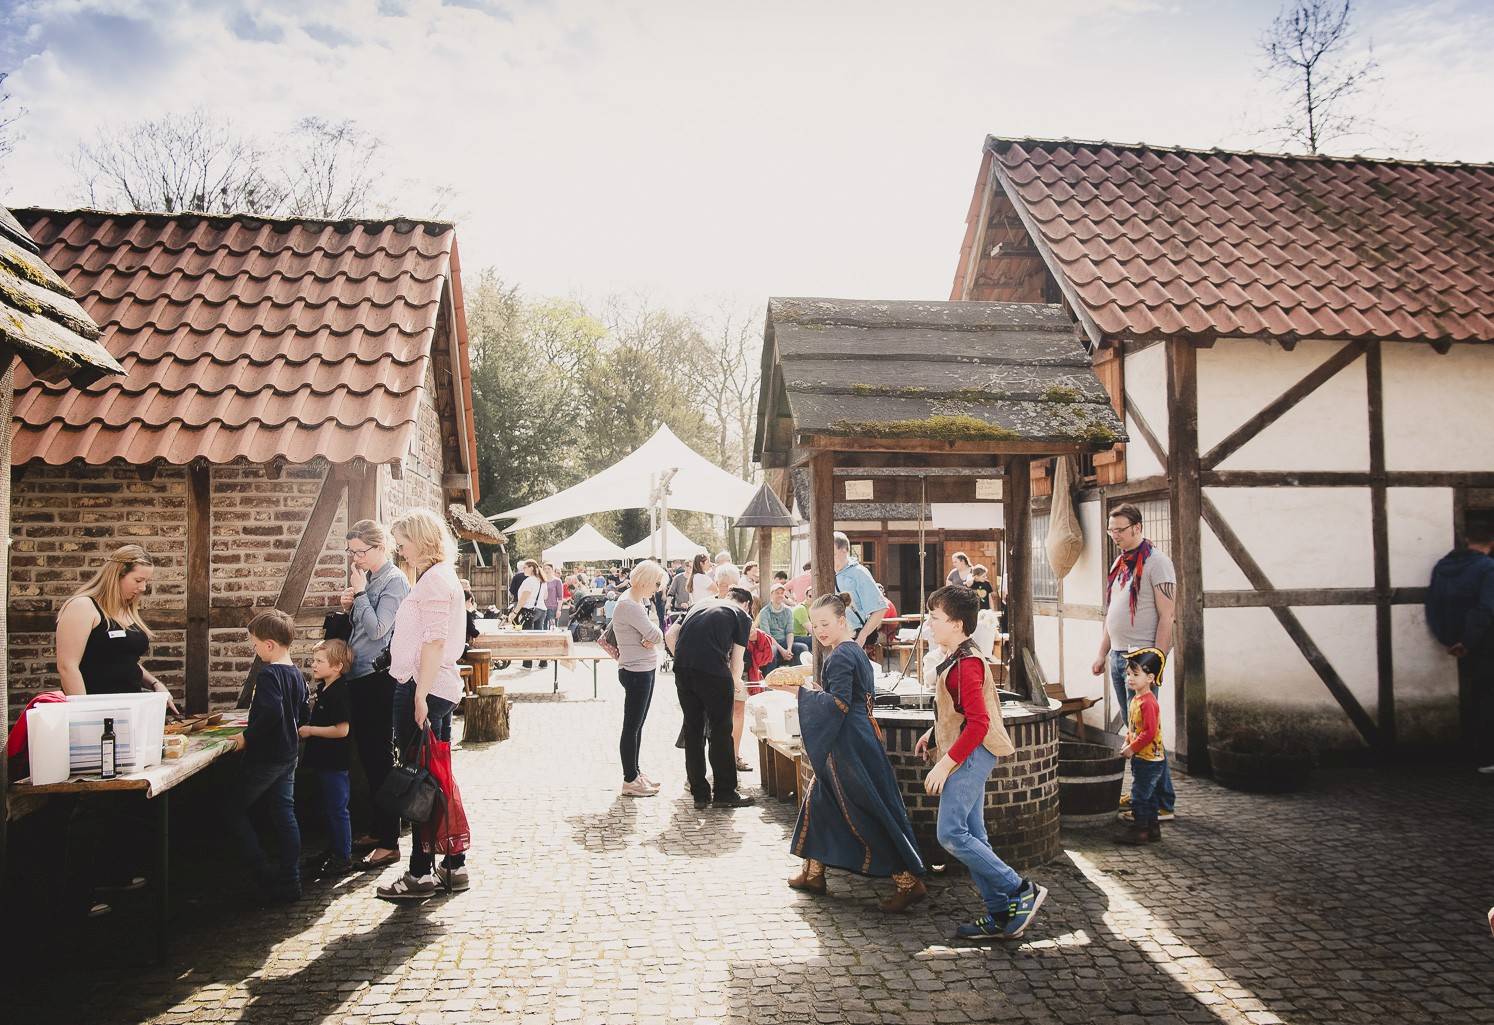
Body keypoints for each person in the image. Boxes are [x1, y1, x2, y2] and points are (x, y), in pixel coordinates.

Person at [768, 592, 927, 911]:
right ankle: (813, 873)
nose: (819, 630)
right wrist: (815, 692)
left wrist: (798, 692)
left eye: (825, 623)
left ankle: (907, 881)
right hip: (858, 733)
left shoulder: (840, 655)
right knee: (820, 800)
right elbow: (845, 697)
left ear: (843, 621)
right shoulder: (853, 650)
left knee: (862, 808)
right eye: (814, 625)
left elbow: (839, 704)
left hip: (848, 741)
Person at [916, 585, 1047, 940]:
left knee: (951, 833)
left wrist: (944, 765)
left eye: (935, 618)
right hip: (969, 751)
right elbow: (958, 711)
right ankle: (1000, 913)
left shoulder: (966, 666)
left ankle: (1020, 890)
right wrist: (933, 732)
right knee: (974, 835)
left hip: (972, 755)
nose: (929, 624)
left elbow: (979, 724)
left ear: (957, 624)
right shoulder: (959, 656)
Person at [377, 509, 473, 900]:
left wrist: (419, 693)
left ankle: (421, 873)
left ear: (422, 538)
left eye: (403, 542)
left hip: (425, 687)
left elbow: (434, 642)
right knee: (433, 776)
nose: (400, 550)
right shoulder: (438, 577)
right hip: (429, 685)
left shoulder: (434, 580)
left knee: (420, 780)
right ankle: (451, 864)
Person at [1091, 504, 1177, 822]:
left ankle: (1160, 802)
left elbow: (1167, 616)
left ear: (1137, 527)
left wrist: (1156, 661)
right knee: (1135, 729)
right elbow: (1112, 613)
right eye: (1111, 530)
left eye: (1120, 530)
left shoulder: (1158, 563)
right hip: (1118, 655)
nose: (1114, 535)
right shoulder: (1120, 563)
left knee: (1146, 729)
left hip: (1141, 658)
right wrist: (1102, 652)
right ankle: (1150, 793)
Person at [226, 610, 309, 905]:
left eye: (256, 645)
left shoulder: (270, 673)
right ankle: (291, 879)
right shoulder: (296, 674)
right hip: (289, 754)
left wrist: (246, 737)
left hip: (267, 756)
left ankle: (262, 871)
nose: (255, 650)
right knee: (284, 813)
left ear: (270, 644)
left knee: (232, 809)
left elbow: (272, 712)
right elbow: (303, 712)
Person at [342, 519, 410, 870]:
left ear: (381, 547)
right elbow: (361, 627)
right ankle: (378, 828)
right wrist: (351, 602)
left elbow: (380, 630)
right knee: (367, 758)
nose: (355, 559)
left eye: (361, 552)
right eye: (351, 552)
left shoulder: (394, 581)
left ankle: (389, 841)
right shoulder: (368, 578)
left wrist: (359, 595)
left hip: (378, 678)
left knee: (380, 757)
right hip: (359, 676)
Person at [56, 544, 179, 712]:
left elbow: (123, 660)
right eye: (138, 580)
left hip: (130, 709)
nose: (143, 588)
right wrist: (85, 714)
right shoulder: (82, 606)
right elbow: (67, 667)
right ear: (117, 574)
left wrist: (155, 684)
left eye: (146, 581)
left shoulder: (126, 609)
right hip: (97, 710)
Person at [670, 569, 754, 809]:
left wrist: (683, 659)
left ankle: (699, 793)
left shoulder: (700, 604)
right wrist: (736, 683)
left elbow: (671, 634)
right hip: (713, 673)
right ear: (747, 604)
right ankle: (725, 792)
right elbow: (737, 661)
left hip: (683, 668)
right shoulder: (742, 616)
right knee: (721, 731)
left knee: (693, 729)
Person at [1426, 520, 1494, 772]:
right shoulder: (1488, 568)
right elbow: (1486, 608)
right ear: (1491, 544)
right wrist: (1467, 640)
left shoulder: (1442, 567)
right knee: (1488, 697)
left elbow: (1433, 604)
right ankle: (1488, 758)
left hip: (1455, 640)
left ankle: (1473, 752)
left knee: (1474, 695)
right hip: (1484, 640)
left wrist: (1449, 639)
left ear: (1466, 541)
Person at [300, 639, 355, 880]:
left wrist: (311, 731)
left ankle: (343, 857)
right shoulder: (325, 688)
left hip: (335, 762)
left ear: (337, 666)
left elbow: (342, 730)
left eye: (319, 661)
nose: (313, 665)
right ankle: (333, 849)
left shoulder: (340, 692)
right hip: (323, 760)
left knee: (337, 808)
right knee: (328, 807)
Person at [613, 560, 666, 797]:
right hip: (637, 671)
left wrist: (650, 637)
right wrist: (651, 637)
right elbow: (657, 633)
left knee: (637, 726)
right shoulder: (630, 605)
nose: (656, 589)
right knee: (632, 726)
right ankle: (630, 778)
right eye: (655, 583)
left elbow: (653, 634)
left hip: (641, 668)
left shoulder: (633, 601)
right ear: (645, 581)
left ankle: (635, 772)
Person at [1116, 647, 1168, 845]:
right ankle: (1153, 829)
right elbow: (1135, 727)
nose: (1130, 678)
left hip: (1149, 758)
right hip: (1143, 756)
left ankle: (1140, 831)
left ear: (1150, 678)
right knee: (1151, 795)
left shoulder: (1148, 703)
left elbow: (1149, 732)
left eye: (1135, 675)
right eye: (1129, 674)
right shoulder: (1136, 699)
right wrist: (1127, 739)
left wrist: (1133, 747)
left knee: (1139, 795)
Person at [833, 532, 887, 648]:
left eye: (833, 554)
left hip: (854, 636)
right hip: (834, 636)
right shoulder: (827, 573)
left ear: (844, 550)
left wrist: (861, 637)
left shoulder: (859, 573)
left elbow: (880, 608)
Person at [757, 582, 805, 667]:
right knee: (773, 650)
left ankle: (796, 676)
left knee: (802, 648)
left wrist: (789, 649)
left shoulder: (788, 611)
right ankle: (769, 677)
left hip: (784, 641)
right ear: (771, 595)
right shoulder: (764, 612)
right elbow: (767, 636)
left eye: (782, 593)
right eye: (777, 593)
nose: (780, 595)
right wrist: (782, 651)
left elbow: (789, 632)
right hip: (770, 642)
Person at [515, 559, 548, 670]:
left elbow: (524, 598)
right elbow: (545, 596)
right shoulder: (542, 580)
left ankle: (527, 663)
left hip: (529, 610)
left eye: (525, 567)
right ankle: (543, 662)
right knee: (539, 637)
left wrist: (515, 612)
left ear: (531, 568)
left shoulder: (529, 581)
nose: (523, 570)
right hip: (541, 609)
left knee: (527, 638)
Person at [542, 562, 565, 629]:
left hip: (552, 608)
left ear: (552, 570)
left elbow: (560, 597)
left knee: (552, 628)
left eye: (548, 568)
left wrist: (559, 610)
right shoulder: (541, 580)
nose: (546, 570)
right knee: (543, 629)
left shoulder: (557, 581)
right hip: (541, 608)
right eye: (545, 569)